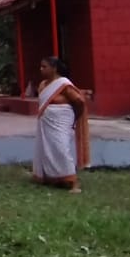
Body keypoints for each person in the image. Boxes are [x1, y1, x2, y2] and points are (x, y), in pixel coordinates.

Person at [32, 56, 90, 193]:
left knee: (61, 148)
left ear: (54, 68)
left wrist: (75, 116)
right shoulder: (42, 85)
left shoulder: (64, 84)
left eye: (44, 67)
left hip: (61, 120)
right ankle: (54, 178)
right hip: (46, 123)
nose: (41, 69)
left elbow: (78, 101)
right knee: (48, 149)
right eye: (40, 67)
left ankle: (74, 182)